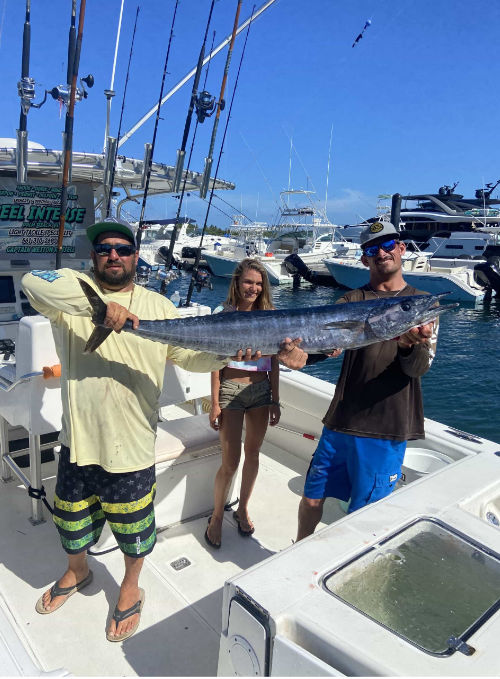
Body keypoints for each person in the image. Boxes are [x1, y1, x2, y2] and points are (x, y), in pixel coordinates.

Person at [22, 218, 307, 643]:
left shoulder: (158, 307)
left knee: (134, 529)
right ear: (93, 256)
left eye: (122, 248)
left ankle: (131, 585)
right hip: (78, 440)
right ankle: (77, 570)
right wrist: (99, 306)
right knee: (71, 520)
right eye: (104, 249)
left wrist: (230, 352)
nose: (113, 255)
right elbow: (31, 283)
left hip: (133, 443)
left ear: (136, 256)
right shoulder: (70, 291)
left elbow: (190, 358)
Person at [296, 221, 438, 541]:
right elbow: (323, 345)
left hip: (387, 425)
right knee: (312, 498)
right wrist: (299, 356)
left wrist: (406, 348)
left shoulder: (422, 303)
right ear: (364, 259)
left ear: (402, 248)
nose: (382, 253)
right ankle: (298, 549)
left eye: (389, 244)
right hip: (342, 419)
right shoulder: (351, 301)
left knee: (364, 514)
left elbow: (418, 369)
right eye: (373, 249)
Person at [205, 259, 280, 548]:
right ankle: (215, 516)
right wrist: (215, 402)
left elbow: (273, 362)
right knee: (230, 461)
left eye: (259, 283)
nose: (254, 288)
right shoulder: (223, 314)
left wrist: (275, 399)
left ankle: (243, 508)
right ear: (237, 282)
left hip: (261, 391)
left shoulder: (270, 316)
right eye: (249, 282)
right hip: (230, 389)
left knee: (254, 453)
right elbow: (214, 362)